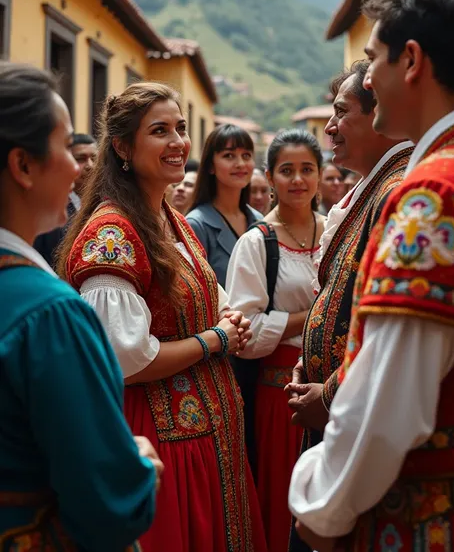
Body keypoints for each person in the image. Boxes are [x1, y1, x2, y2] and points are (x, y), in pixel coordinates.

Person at [289, 0, 454, 552]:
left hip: (423, 519)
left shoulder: (437, 192)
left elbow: (389, 398)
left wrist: (323, 508)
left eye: (373, 59)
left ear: (411, 60)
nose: (367, 77)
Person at [57, 83, 267, 552]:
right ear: (123, 147)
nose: (178, 142)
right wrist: (216, 339)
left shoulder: (167, 217)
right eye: (159, 131)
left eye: (180, 128)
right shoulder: (113, 233)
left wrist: (229, 319)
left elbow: (210, 300)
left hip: (207, 441)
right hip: (162, 442)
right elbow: (123, 358)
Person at [0, 63, 160, 549]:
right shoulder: (49, 314)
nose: (78, 166)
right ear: (23, 166)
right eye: (67, 146)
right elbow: (108, 503)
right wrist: (139, 467)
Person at [285, 60, 412, 552]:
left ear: (380, 115)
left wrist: (332, 395)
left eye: (341, 113)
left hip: (354, 423)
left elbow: (391, 331)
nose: (330, 128)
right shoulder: (375, 188)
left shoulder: (398, 190)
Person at [226, 129, 325, 552]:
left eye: (307, 169)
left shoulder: (338, 230)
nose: (298, 180)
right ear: (269, 177)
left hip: (336, 387)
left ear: (321, 175)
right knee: (284, 501)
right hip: (280, 394)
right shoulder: (257, 243)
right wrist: (314, 315)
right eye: (287, 170)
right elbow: (244, 331)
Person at [186, 124, 263, 288]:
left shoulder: (259, 221)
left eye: (246, 155)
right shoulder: (196, 225)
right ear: (211, 166)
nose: (241, 163)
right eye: (229, 156)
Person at [33, 132, 97, 266]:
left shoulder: (103, 205)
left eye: (94, 158)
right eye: (81, 159)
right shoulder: (50, 209)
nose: (90, 166)